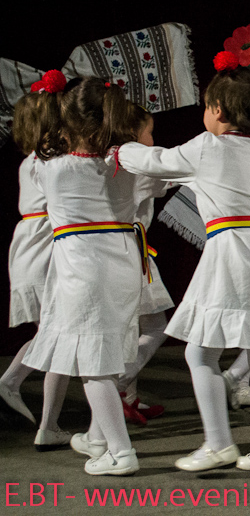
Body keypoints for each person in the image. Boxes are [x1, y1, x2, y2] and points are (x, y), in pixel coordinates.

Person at [117, 51, 250, 469]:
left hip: (231, 254)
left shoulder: (206, 146)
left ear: (217, 110)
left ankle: (219, 443)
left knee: (200, 354)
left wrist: (119, 150)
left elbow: (154, 160)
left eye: (206, 105)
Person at [23, 73, 143, 475]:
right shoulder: (123, 162)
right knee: (107, 356)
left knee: (94, 365)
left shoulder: (50, 167)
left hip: (84, 270)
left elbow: (40, 150)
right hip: (124, 265)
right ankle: (98, 439)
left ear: (67, 119)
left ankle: (121, 453)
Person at [0, 90, 71, 451]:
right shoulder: (51, 163)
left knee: (53, 333)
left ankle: (12, 384)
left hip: (30, 244)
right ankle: (48, 424)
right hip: (43, 245)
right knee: (60, 335)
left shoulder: (30, 161)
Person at [117, 108, 173, 425]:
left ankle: (127, 397)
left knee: (134, 328)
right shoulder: (138, 164)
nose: (153, 139)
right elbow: (172, 171)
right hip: (130, 251)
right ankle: (119, 384)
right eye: (149, 132)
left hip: (128, 248)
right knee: (154, 327)